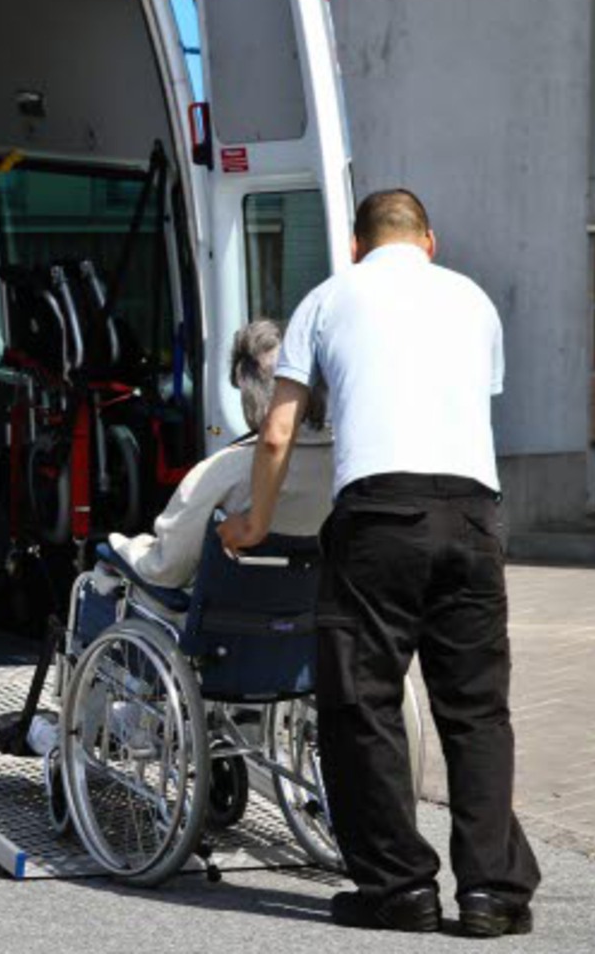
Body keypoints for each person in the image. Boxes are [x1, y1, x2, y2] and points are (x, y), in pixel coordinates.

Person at [218, 189, 540, 938]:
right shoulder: (473, 301)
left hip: (377, 520)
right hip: (471, 515)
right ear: (429, 240)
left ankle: (400, 889)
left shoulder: (329, 298)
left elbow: (276, 433)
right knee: (476, 713)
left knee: (362, 706)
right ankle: (492, 892)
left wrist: (254, 522)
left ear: (357, 246)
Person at [104, 319, 329, 588]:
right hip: (309, 615)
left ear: (250, 393)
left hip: (234, 617)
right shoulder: (349, 465)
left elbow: (166, 570)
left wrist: (124, 547)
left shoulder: (222, 472)